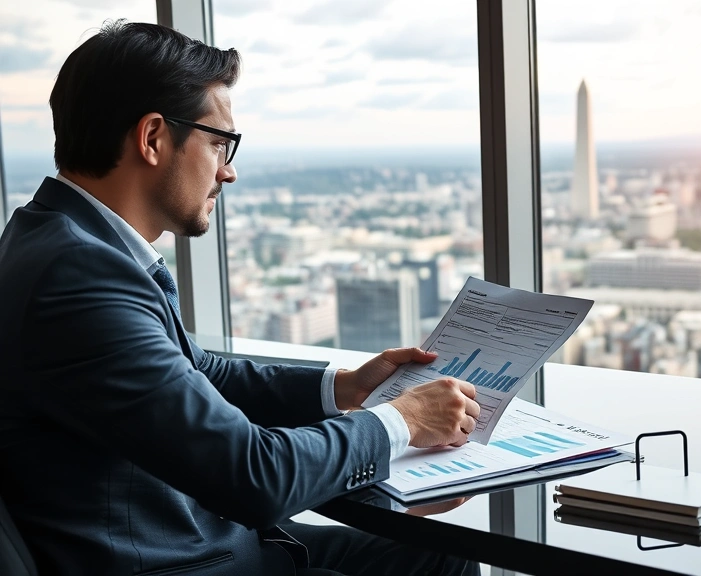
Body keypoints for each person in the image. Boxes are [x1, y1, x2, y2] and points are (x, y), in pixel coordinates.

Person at [0, 20, 481, 576]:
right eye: (219, 143)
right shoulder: (78, 277)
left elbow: (195, 372)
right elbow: (253, 476)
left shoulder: (54, 236)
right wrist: (401, 423)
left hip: (203, 539)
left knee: (441, 557)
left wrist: (347, 387)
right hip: (185, 560)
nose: (228, 171)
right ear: (153, 138)